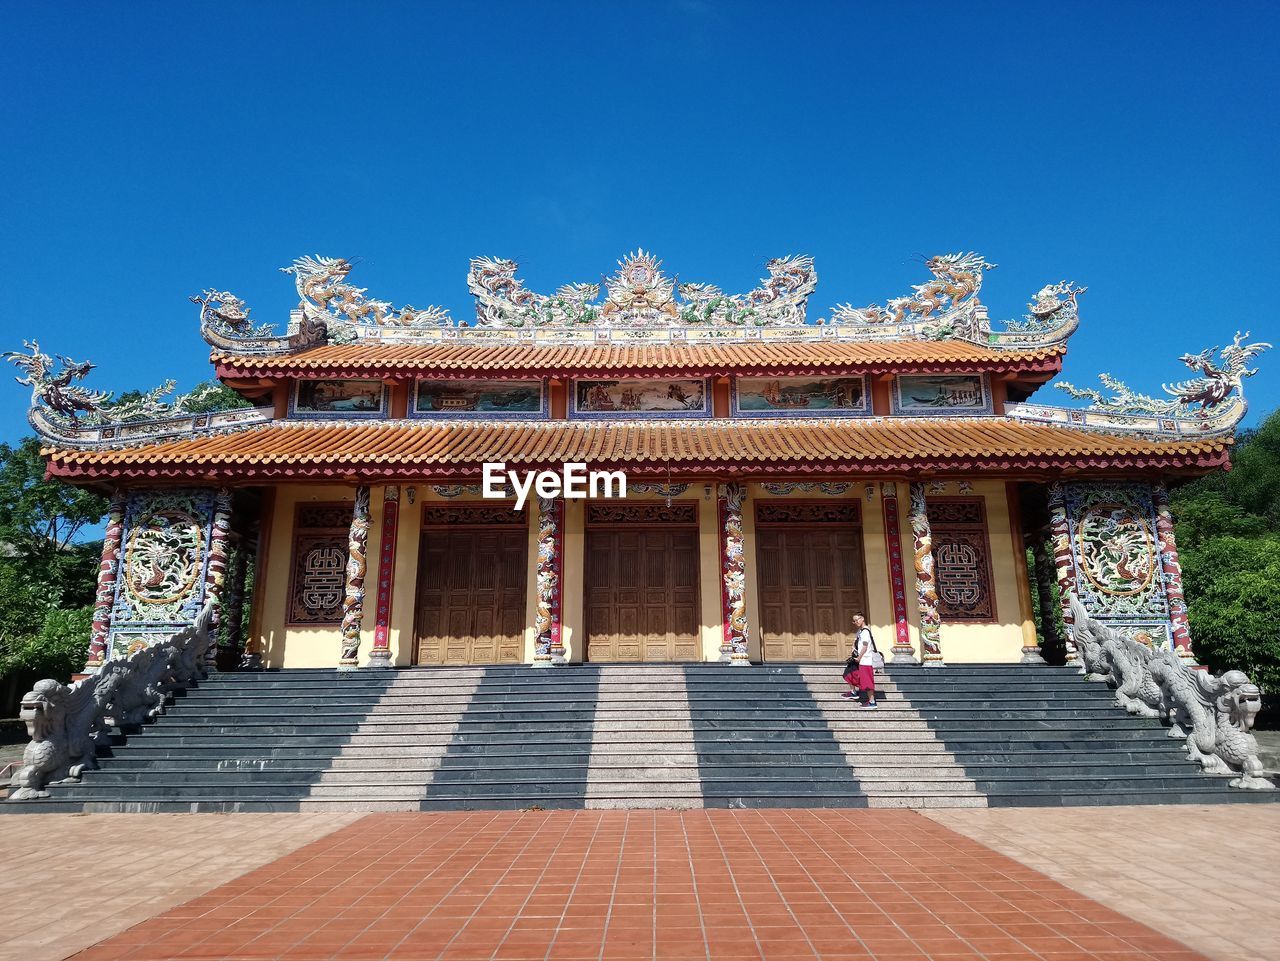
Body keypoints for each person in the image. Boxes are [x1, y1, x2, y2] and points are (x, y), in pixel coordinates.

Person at [841, 613, 879, 710]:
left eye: (857, 619)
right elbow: (857, 643)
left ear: (862, 619)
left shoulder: (866, 631)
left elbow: (865, 647)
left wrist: (859, 657)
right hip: (859, 659)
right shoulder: (860, 632)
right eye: (854, 621)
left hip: (865, 660)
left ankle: (872, 702)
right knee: (849, 672)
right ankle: (853, 692)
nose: (855, 622)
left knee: (867, 681)